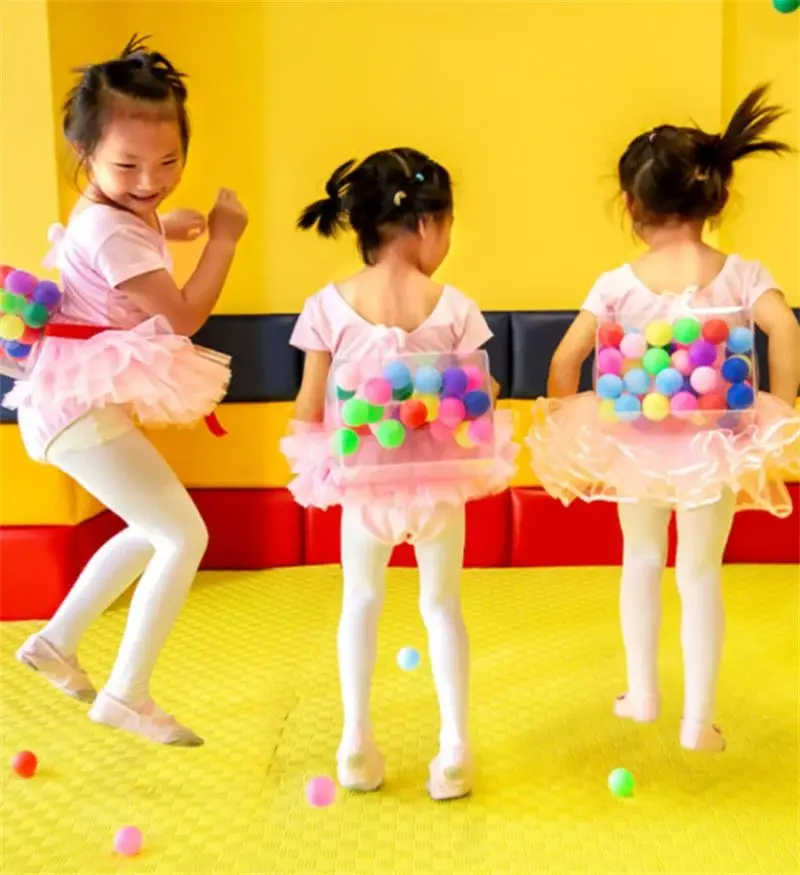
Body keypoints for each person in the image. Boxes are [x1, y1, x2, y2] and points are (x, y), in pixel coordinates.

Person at [528, 85, 800, 752]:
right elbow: (784, 330)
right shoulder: (740, 272)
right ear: (717, 199)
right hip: (717, 440)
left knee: (642, 557)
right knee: (701, 571)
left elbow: (567, 359)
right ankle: (698, 721)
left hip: (634, 440)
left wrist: (571, 418)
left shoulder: (616, 283)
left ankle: (643, 693)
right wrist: (783, 410)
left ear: (631, 205)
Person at [6, 36, 248, 746]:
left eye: (170, 162)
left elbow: (130, 227)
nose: (151, 180)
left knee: (153, 529)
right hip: (76, 406)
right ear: (84, 153)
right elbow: (182, 316)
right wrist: (224, 241)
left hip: (73, 401)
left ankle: (56, 642)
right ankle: (127, 693)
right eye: (128, 165)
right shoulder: (115, 232)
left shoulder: (115, 211)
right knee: (183, 534)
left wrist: (163, 223)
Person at [282, 148, 517, 798]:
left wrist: (315, 462)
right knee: (441, 605)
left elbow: (309, 405)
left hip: (367, 485)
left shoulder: (329, 304)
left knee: (360, 600)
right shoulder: (454, 304)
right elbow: (480, 396)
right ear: (428, 225)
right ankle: (455, 750)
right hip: (439, 483)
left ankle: (355, 741)